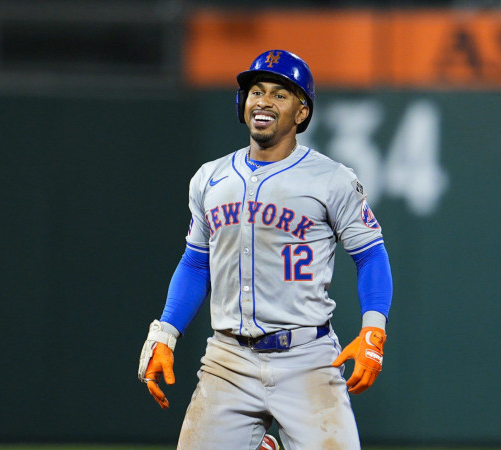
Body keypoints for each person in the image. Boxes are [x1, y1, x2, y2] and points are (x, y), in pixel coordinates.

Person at [137, 49, 393, 449]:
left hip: (307, 358)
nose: (264, 102)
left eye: (279, 94)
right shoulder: (210, 178)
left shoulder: (332, 179)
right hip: (228, 360)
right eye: (256, 91)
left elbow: (370, 254)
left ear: (302, 113)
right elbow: (195, 262)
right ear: (243, 104)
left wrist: (373, 331)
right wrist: (166, 332)